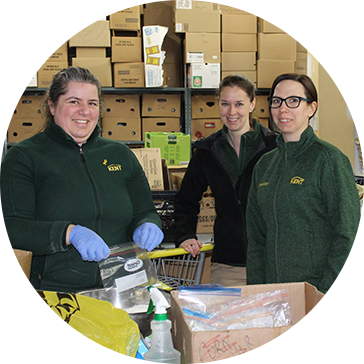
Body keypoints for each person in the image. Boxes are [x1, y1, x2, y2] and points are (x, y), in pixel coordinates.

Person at [0, 66, 163, 293]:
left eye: (92, 103)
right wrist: (68, 233)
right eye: (74, 101)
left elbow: (144, 210)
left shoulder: (120, 154)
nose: (84, 111)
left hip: (123, 287)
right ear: (52, 105)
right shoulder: (25, 157)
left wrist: (148, 224)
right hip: (55, 293)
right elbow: (8, 228)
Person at [246, 73, 364, 311]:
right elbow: (257, 238)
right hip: (280, 298)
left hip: (331, 297)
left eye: (293, 100)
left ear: (311, 108)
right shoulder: (265, 165)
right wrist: (257, 295)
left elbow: (348, 233)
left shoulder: (329, 160)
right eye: (276, 101)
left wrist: (323, 295)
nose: (283, 109)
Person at [174, 74, 277, 286]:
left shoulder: (273, 146)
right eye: (225, 104)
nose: (232, 112)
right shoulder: (207, 151)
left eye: (239, 104)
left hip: (272, 261)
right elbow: (186, 198)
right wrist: (185, 234)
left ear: (252, 104)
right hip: (228, 264)